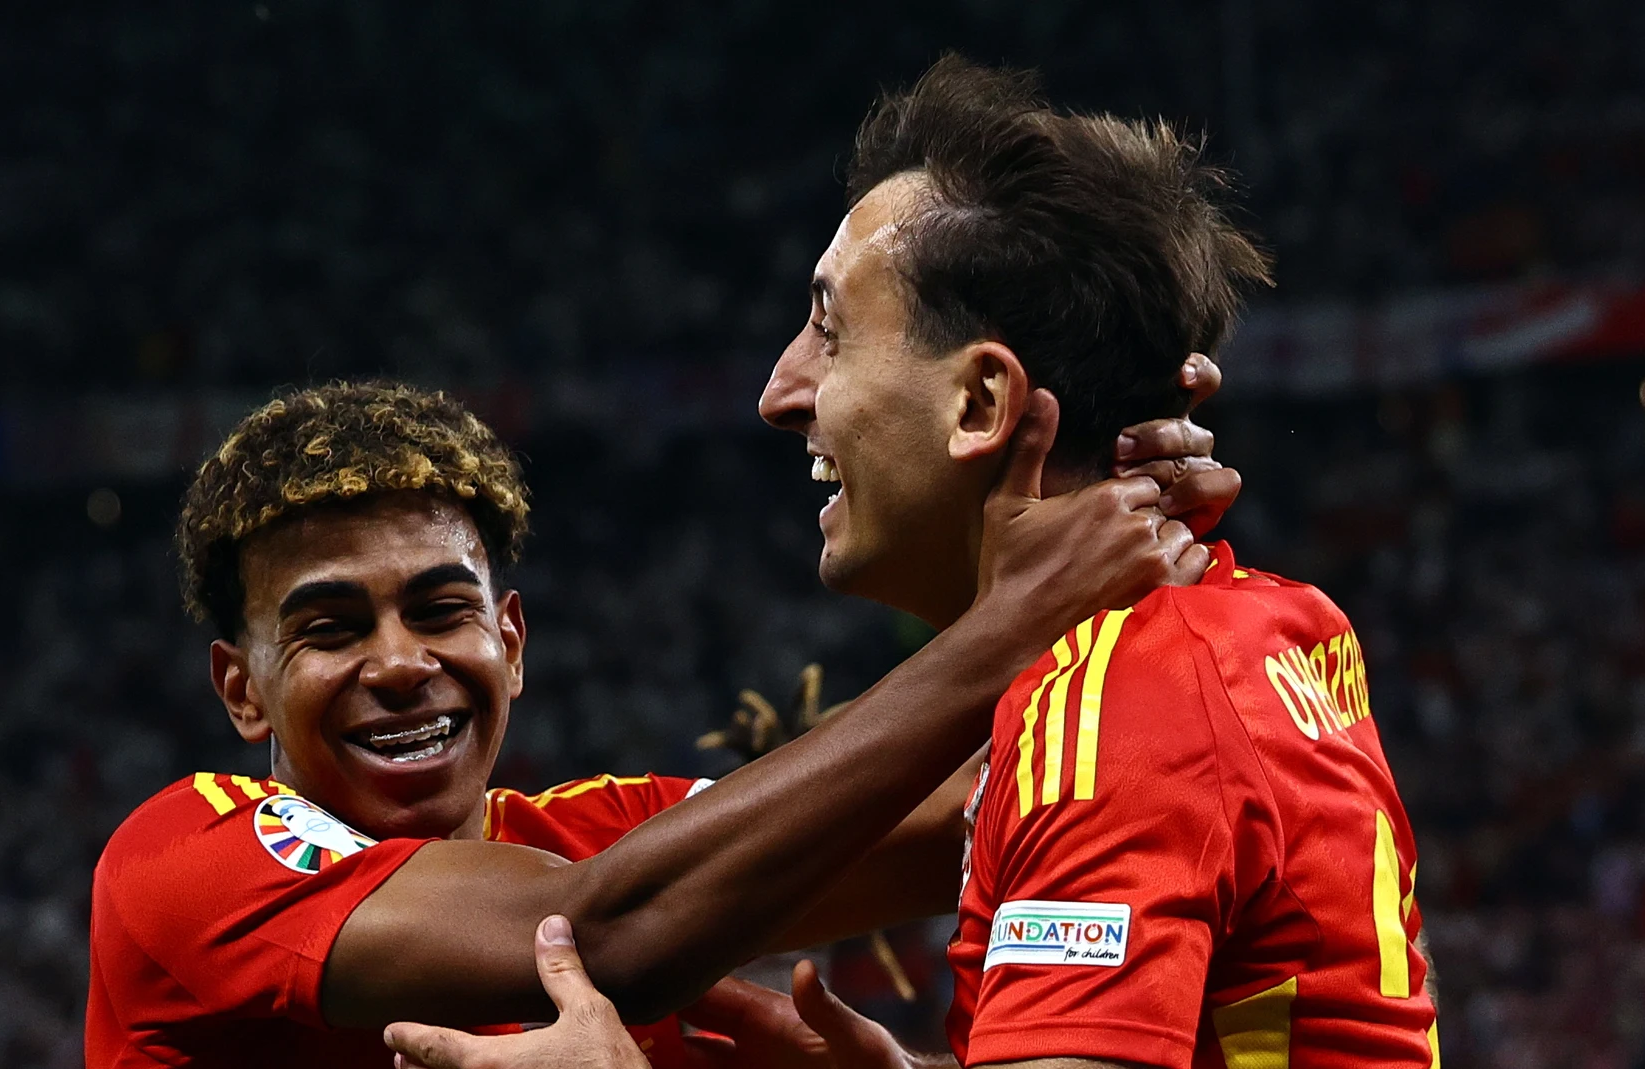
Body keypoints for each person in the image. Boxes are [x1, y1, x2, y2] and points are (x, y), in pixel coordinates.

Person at [391, 55, 1439, 1069]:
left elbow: (607, 928)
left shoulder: (1117, 705)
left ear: (979, 404)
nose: (779, 390)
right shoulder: (1279, 621)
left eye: (829, 332)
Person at [85, 376, 1236, 1067]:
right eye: (332, 627)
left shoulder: (599, 836)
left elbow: (969, 819)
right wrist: (1016, 618)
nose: (400, 663)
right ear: (243, 689)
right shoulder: (186, 862)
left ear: (512, 644)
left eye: (441, 610)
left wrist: (1127, 503)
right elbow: (609, 930)